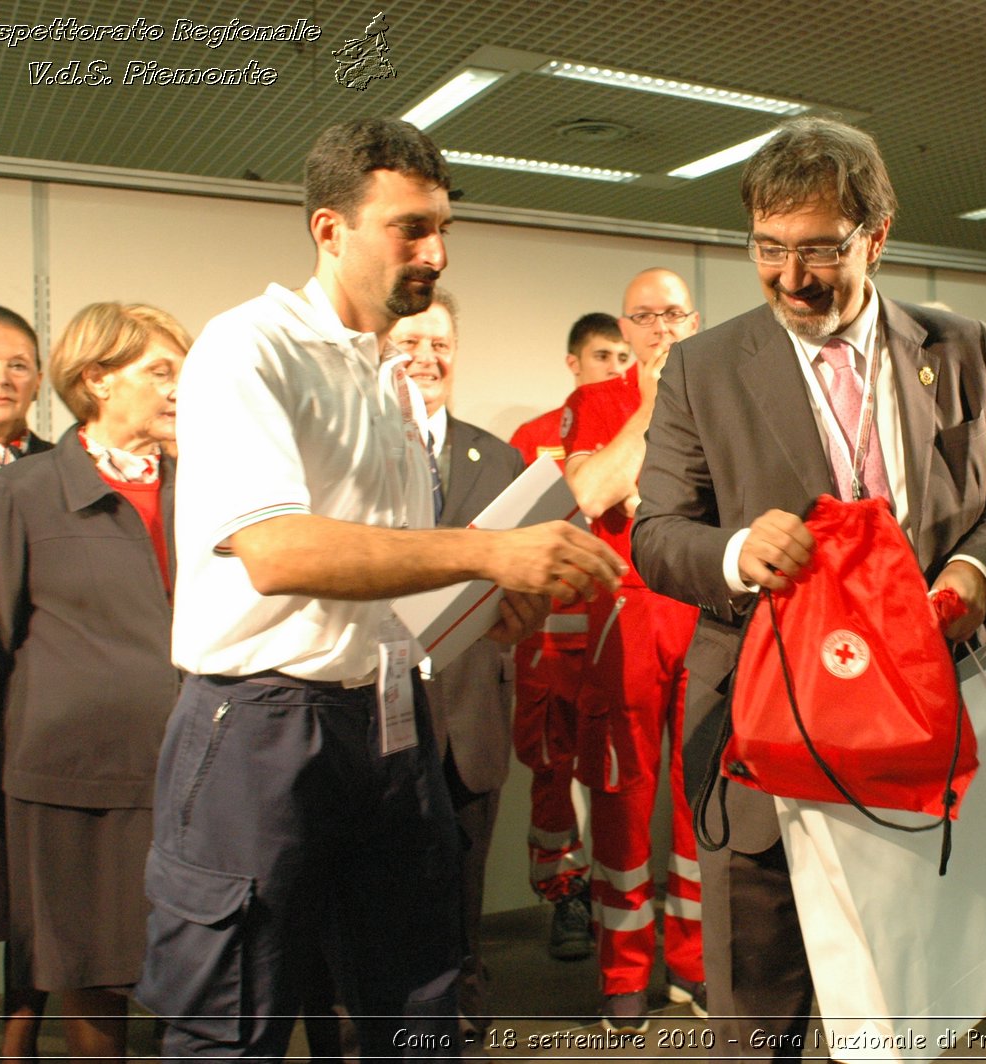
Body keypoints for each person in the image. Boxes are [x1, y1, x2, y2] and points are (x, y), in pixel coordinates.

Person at [136, 116, 623, 1059]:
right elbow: (274, 551)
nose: (436, 252)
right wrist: (487, 556)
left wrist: (490, 613)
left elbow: (398, 576)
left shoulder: (389, 378)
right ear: (330, 229)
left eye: (442, 228)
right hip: (262, 732)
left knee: (416, 1004)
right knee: (232, 1022)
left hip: (392, 719)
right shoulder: (251, 350)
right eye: (410, 228)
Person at [629, 116, 986, 1058]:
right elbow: (657, 536)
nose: (790, 277)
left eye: (819, 249)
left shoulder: (963, 348)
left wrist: (978, 571)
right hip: (761, 733)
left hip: (927, 726)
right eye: (768, 249)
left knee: (928, 1004)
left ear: (876, 237)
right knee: (761, 1011)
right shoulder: (703, 368)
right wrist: (736, 553)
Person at [0, 301, 189, 1061]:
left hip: (189, 771)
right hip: (72, 781)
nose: (177, 388)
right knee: (89, 969)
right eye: (161, 371)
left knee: (188, 964)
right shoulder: (23, 495)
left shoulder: (203, 488)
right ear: (96, 379)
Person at [560, 270, 704, 1032]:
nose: (660, 329)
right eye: (644, 317)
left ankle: (694, 958)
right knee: (621, 798)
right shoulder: (598, 402)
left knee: (700, 797)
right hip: (628, 614)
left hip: (707, 613)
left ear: (695, 318)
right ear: (628, 325)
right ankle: (623, 970)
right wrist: (652, 405)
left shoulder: (722, 398)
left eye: (672, 314)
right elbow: (589, 492)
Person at [388, 287, 523, 1032]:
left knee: (464, 885)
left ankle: (464, 1014)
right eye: (410, 342)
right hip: (381, 711)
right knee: (385, 889)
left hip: (471, 708)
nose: (426, 358)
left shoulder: (497, 457)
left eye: (439, 344)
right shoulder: (361, 448)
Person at [506, 312, 631, 962]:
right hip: (548, 639)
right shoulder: (530, 438)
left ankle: (619, 904)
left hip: (617, 636)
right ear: (573, 363)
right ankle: (564, 894)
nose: (615, 367)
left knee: (617, 778)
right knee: (552, 772)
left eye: (622, 356)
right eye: (602, 355)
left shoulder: (642, 433)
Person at [0, 304, 52, 1057]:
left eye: (18, 364)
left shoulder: (63, 471)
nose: (3, 377)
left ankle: (20, 1035)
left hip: (36, 723)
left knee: (34, 897)